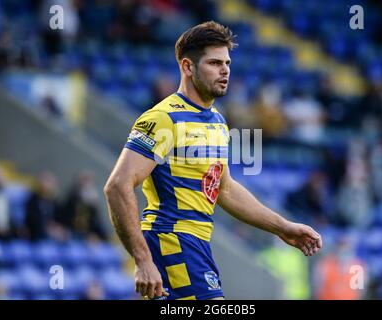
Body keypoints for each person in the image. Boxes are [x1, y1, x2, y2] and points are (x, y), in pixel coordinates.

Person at [104, 21, 322, 300]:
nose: (225, 70)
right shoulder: (163, 119)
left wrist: (283, 227)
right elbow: (118, 185)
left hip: (198, 244)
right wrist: (143, 260)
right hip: (172, 241)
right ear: (187, 67)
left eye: (227, 63)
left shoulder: (217, 121)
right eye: (215, 63)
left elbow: (224, 189)